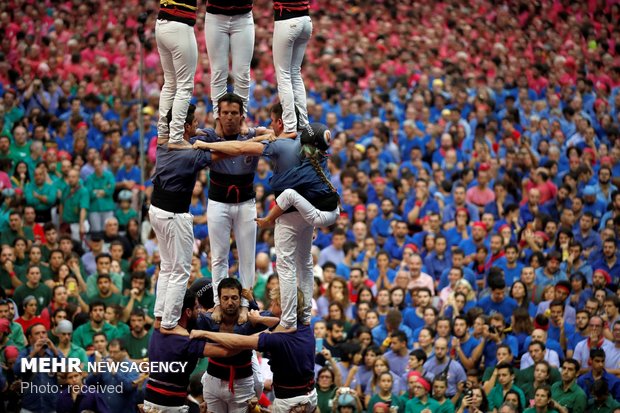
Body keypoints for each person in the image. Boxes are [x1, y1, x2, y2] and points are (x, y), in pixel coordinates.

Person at [193, 115, 339, 332]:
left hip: (314, 215)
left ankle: (289, 320)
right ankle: (305, 315)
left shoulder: (292, 154)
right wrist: (262, 132)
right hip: (325, 212)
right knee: (304, 263)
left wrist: (269, 220)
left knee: (287, 263)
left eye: (272, 121)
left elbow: (267, 173)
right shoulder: (318, 157)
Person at [149, 105, 218, 335]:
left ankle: (160, 317)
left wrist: (200, 135)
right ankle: (170, 323)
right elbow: (218, 154)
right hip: (174, 215)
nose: (199, 126)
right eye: (195, 124)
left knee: (167, 267)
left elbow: (199, 136)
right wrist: (206, 142)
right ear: (186, 127)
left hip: (157, 210)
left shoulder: (163, 142)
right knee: (180, 270)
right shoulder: (188, 153)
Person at [191, 287, 317, 412]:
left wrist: (204, 334)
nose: (271, 304)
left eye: (274, 302)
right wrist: (259, 319)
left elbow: (237, 343)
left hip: (290, 403)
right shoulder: (304, 327)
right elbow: (277, 322)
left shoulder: (279, 337)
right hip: (307, 395)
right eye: (225, 298)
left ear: (283, 306)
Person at [143, 289, 240, 412]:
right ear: (188, 312)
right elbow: (228, 351)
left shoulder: (157, 328)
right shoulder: (185, 342)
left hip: (150, 401)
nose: (199, 312)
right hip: (170, 406)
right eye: (196, 308)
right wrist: (256, 339)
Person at [155, 0, 198, 149]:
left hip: (161, 23)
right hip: (179, 23)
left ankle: (163, 134)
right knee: (184, 86)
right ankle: (176, 137)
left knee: (170, 83)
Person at [204, 1, 254, 125]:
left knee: (242, 74)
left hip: (243, 16)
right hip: (216, 16)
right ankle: (218, 121)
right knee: (218, 72)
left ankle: (242, 119)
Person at [271, 0, 312, 138]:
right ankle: (303, 123)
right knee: (295, 72)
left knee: (284, 74)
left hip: (287, 19)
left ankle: (289, 126)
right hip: (306, 20)